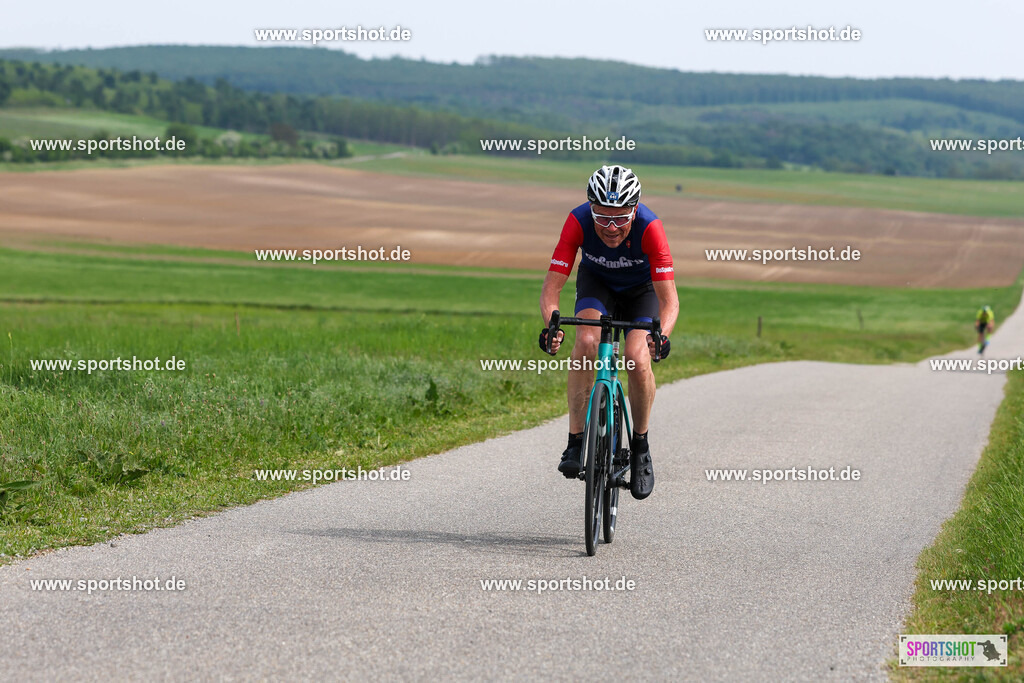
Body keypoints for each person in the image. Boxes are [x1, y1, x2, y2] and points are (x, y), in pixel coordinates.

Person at [538, 165, 679, 500]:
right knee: (586, 342)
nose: (611, 227)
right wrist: (551, 324)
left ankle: (641, 446)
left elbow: (669, 301)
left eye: (620, 217)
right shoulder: (577, 221)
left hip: (642, 291)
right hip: (597, 284)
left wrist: (661, 335)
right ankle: (575, 442)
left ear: (635, 209)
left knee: (635, 357)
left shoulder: (650, 227)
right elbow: (550, 290)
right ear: (591, 208)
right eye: (602, 217)